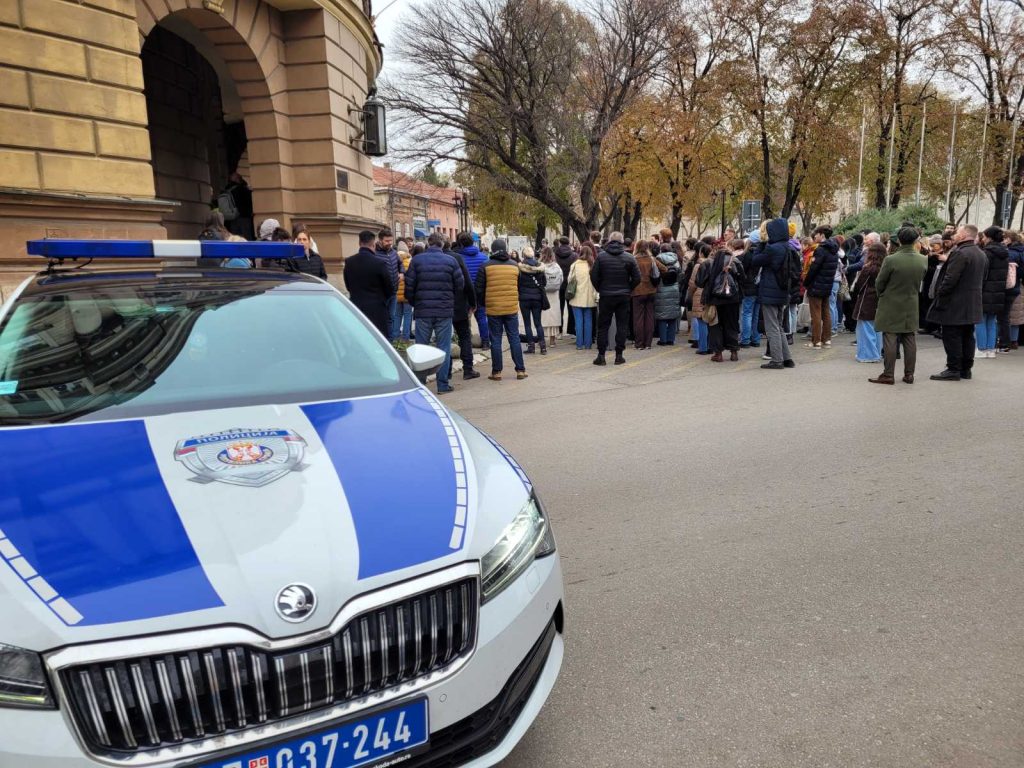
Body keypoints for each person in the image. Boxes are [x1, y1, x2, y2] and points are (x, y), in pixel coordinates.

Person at [404, 231, 465, 394]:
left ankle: (421, 384)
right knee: (443, 347)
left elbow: (409, 286)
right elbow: (460, 285)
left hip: (423, 309)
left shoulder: (416, 261)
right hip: (444, 310)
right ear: (443, 244)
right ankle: (442, 384)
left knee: (421, 347)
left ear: (428, 244)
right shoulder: (450, 261)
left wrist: (414, 302)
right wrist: (449, 299)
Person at [927, 224, 987, 381]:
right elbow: (983, 278)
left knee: (952, 335)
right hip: (972, 301)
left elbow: (950, 279)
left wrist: (940, 293)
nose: (954, 235)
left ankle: (954, 368)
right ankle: (965, 369)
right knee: (967, 335)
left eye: (958, 232)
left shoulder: (960, 253)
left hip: (955, 302)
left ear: (965, 235)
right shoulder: (980, 253)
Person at [869, 227, 927, 385]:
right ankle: (909, 374)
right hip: (911, 301)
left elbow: (879, 283)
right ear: (916, 240)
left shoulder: (891, 259)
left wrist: (883, 294)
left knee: (890, 337)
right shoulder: (923, 259)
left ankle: (888, 374)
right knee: (909, 337)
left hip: (891, 301)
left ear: (899, 240)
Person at [475, 238, 528, 380]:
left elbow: (479, 289)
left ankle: (496, 372)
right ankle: (520, 370)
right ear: (505, 249)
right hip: (511, 308)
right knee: (514, 338)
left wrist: (483, 304)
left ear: (492, 250)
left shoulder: (485, 266)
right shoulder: (515, 266)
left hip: (493, 309)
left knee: (496, 339)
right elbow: (520, 286)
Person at [590, 231, 640, 365]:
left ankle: (601, 356)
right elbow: (637, 278)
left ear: (610, 241)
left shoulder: (601, 257)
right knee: (622, 325)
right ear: (622, 241)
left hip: (606, 295)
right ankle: (619, 355)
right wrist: (629, 289)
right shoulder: (629, 258)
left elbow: (594, 276)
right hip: (623, 296)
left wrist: (600, 288)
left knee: (603, 326)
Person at [752, 218, 796, 369]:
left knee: (772, 327)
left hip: (770, 291)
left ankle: (777, 360)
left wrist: (760, 245)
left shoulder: (772, 248)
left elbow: (756, 260)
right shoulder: (787, 246)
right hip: (782, 291)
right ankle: (787, 358)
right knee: (779, 326)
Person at [696, 247, 746, 362]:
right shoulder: (735, 262)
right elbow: (743, 278)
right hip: (733, 299)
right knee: (732, 324)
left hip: (715, 300)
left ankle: (718, 354)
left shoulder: (708, 263)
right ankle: (734, 352)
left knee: (715, 326)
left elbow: (699, 282)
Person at [342, 230, 393, 337]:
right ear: (373, 244)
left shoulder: (349, 262)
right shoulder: (379, 263)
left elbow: (348, 285)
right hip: (377, 310)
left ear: (359, 243)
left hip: (356, 309)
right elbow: (389, 289)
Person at [448, 241, 480, 380]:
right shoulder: (457, 258)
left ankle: (445, 372)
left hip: (439, 306)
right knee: (464, 336)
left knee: (443, 339)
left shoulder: (424, 258)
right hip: (459, 304)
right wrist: (473, 303)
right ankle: (468, 368)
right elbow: (467, 282)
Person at [803, 230, 840, 349]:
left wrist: (806, 282)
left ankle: (816, 341)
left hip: (816, 285)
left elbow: (814, 268)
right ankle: (827, 339)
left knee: (816, 314)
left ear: (822, 235)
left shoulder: (820, 250)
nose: (814, 237)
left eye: (816, 235)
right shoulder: (835, 251)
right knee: (826, 312)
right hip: (828, 284)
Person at [977, 226, 1009, 358]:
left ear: (989, 237)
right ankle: (991, 349)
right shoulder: (1004, 252)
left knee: (980, 320)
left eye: (984, 237)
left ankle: (981, 348)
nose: (983, 239)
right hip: (999, 291)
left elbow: (982, 273)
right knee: (992, 320)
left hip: (985, 290)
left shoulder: (987, 253)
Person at [853, 243, 886, 363]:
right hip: (881, 300)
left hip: (866, 300)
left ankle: (867, 355)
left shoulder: (869, 268)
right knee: (877, 330)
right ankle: (876, 352)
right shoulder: (885, 267)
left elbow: (859, 285)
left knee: (865, 329)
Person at [631, 240, 660, 350]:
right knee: (649, 318)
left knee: (638, 318)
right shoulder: (652, 259)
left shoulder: (634, 259)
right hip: (651, 291)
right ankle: (648, 343)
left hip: (637, 291)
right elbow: (664, 269)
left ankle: (639, 344)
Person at [517, 246, 547, 354]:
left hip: (524, 298)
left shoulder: (519, 268)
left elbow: (517, 283)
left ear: (523, 255)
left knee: (527, 323)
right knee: (538, 323)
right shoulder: (540, 267)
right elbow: (544, 283)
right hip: (537, 297)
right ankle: (543, 347)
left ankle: (531, 346)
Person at [568, 244, 598, 349]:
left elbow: (569, 280)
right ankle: (588, 344)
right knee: (589, 321)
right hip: (589, 297)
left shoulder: (575, 265)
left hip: (576, 296)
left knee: (578, 321)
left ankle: (579, 344)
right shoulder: (593, 265)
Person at [375, 228, 401, 341]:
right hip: (381, 293)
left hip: (393, 291)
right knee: (381, 319)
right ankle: (382, 340)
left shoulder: (394, 253)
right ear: (380, 240)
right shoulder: (375, 254)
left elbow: (401, 265)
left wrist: (402, 273)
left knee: (391, 317)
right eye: (387, 241)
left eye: (391, 240)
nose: (389, 243)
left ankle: (390, 341)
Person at [654, 244, 681, 345]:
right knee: (672, 315)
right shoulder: (676, 259)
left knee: (662, 316)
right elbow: (680, 273)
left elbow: (655, 274)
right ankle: (671, 339)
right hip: (674, 288)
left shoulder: (657, 260)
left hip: (661, 288)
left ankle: (663, 339)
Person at [687, 243, 711, 355]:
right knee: (710, 320)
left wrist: (690, 295)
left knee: (701, 320)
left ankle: (703, 347)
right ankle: (710, 345)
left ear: (701, 253)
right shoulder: (714, 263)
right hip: (710, 293)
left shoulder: (698, 265)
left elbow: (693, 283)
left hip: (699, 294)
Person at [739, 231, 762, 348]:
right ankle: (756, 338)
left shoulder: (747, 255)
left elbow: (742, 272)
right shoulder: (763, 253)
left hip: (748, 287)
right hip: (760, 287)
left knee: (747, 313)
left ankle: (745, 339)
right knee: (756, 314)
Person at [218, 172, 255, 240]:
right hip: (244, 217)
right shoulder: (243, 189)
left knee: (235, 239)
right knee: (247, 238)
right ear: (238, 179)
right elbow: (249, 201)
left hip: (232, 218)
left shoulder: (227, 190)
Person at [540, 247, 563, 348]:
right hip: (554, 294)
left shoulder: (540, 266)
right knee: (553, 316)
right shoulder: (557, 266)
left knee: (543, 316)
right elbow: (561, 279)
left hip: (543, 294)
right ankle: (552, 341)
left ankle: (542, 340)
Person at [1005, 231, 1024, 350]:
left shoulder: (1011, 253)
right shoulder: (1022, 251)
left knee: (1008, 314)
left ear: (1010, 239)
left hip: (1012, 284)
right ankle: (1015, 340)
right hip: (1020, 285)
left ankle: (1008, 340)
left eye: (1005, 238)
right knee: (1017, 315)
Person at [554, 236, 577, 336]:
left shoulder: (555, 254)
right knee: (571, 307)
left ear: (560, 243)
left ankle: (559, 331)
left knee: (559, 308)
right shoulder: (574, 255)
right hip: (570, 284)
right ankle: (571, 331)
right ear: (568, 243)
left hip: (558, 284)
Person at [393, 240, 414, 341]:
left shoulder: (393, 261)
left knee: (397, 316)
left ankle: (395, 336)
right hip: (407, 294)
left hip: (396, 294)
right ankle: (406, 337)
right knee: (407, 315)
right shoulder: (410, 262)